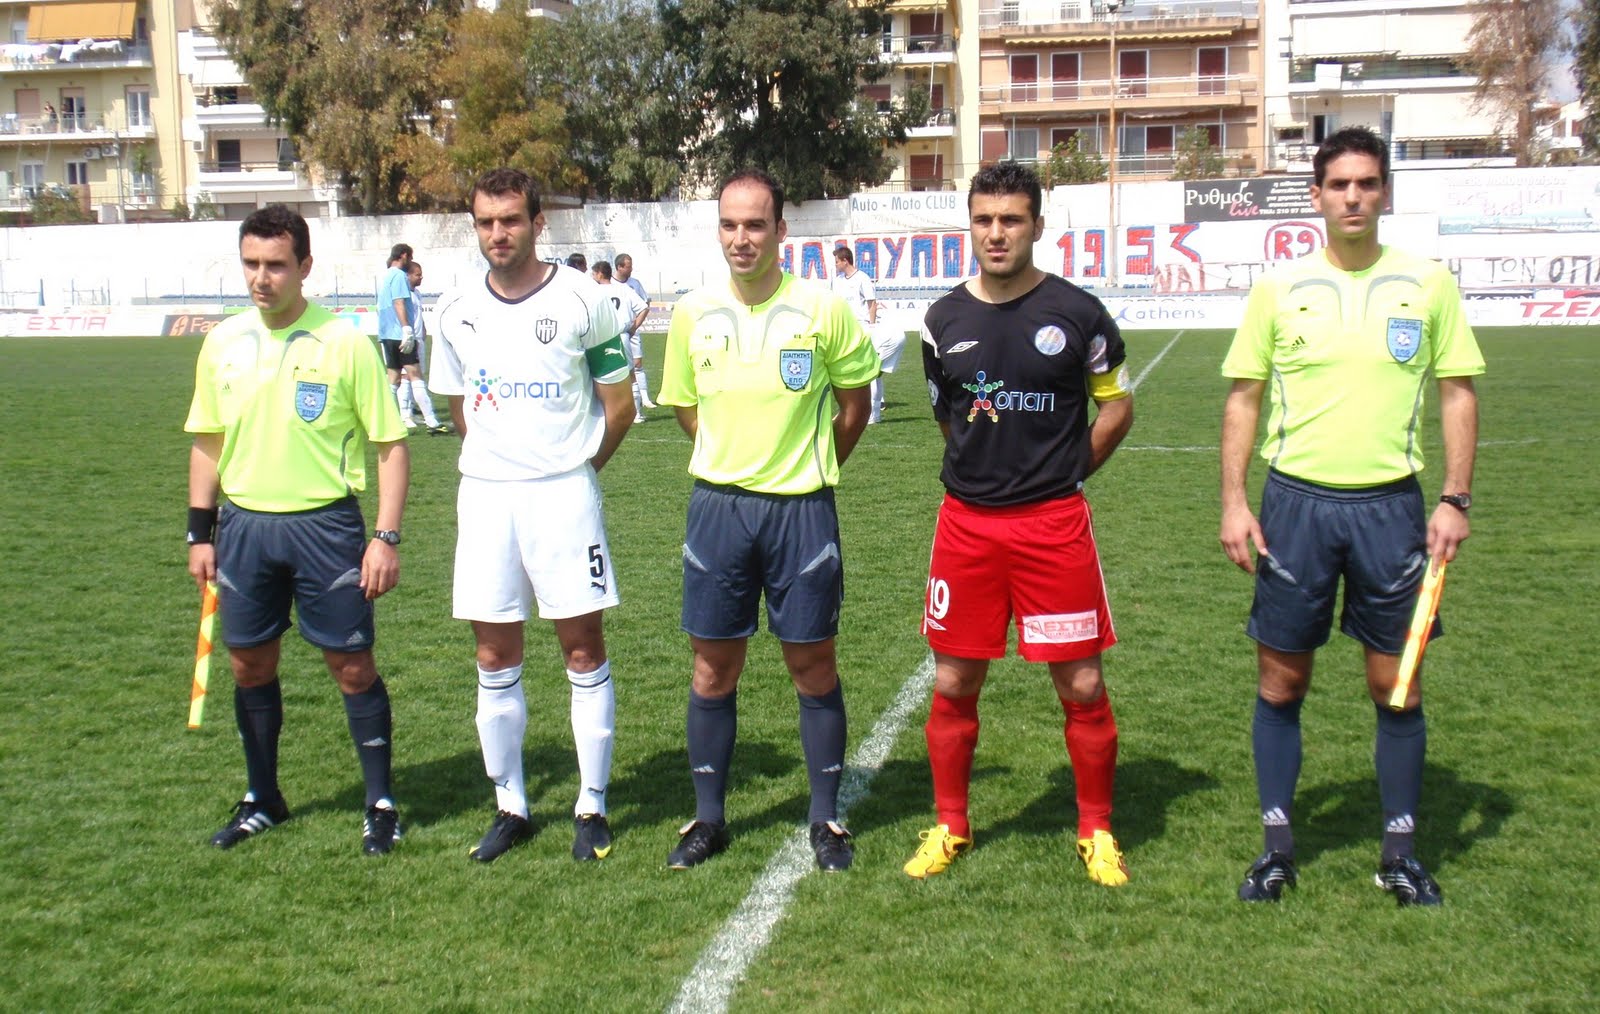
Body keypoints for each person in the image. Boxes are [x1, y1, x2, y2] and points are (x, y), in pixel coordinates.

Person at [1219, 126, 1484, 907]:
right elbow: (1244, 398)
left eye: (1367, 183)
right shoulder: (1280, 288)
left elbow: (1458, 391)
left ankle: (1399, 855)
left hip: (1391, 509)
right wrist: (1234, 501)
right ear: (1317, 196)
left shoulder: (1427, 284)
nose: (1354, 197)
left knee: (1396, 686)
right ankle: (1276, 850)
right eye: (1340, 185)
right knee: (1281, 681)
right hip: (1294, 505)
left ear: (1384, 193)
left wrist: (1455, 497)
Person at [904, 161, 1135, 886]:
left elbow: (1117, 407)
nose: (996, 233)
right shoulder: (941, 321)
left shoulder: (1079, 314)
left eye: (1011, 219)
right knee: (953, 678)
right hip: (967, 527)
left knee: (1083, 684)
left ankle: (1096, 829)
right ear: (969, 226)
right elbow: (950, 419)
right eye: (984, 220)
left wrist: (1066, 473)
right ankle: (951, 823)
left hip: (1053, 527)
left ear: (1037, 224)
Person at [657, 168, 880, 872]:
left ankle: (825, 819)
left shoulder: (823, 310)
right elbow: (686, 407)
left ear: (781, 230)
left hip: (801, 511)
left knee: (812, 663)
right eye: (729, 224)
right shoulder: (692, 313)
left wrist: (806, 463)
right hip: (718, 510)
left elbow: (855, 405)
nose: (741, 238)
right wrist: (734, 458)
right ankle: (708, 818)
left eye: (755, 224)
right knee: (711, 667)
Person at [184, 204, 411, 856]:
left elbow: (390, 446)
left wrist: (385, 538)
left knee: (351, 665)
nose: (262, 278)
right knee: (248, 662)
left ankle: (380, 802)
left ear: (305, 266)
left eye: (276, 265)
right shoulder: (223, 342)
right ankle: (263, 797)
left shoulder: (343, 342)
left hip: (325, 527)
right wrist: (199, 533)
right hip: (244, 528)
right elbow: (207, 440)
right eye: (251, 264)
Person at [431, 168, 635, 864]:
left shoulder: (586, 300)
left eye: (511, 219)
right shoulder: (453, 309)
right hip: (487, 497)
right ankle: (510, 805)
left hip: (562, 495)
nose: (498, 233)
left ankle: (592, 804)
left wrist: (575, 472)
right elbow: (459, 410)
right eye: (486, 222)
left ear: (537, 223)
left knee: (582, 648)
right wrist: (505, 463)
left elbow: (619, 407)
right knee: (494, 654)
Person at [831, 246, 897, 424]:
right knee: (852, 368)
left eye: (837, 261)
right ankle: (856, 406)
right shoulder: (837, 281)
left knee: (868, 368)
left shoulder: (862, 278)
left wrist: (872, 327)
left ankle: (872, 410)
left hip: (862, 328)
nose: (835, 265)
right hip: (844, 329)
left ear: (845, 261)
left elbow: (871, 303)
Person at [591, 260, 651, 422]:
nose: (592, 277)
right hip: (622, 335)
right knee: (630, 375)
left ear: (600, 274)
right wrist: (633, 328)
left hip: (601, 338)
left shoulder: (593, 291)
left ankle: (603, 413)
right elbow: (644, 307)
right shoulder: (623, 289)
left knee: (599, 376)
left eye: (594, 273)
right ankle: (637, 414)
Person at [397, 259, 449, 433]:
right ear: (408, 276)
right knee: (408, 376)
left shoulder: (417, 293)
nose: (421, 277)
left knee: (416, 376)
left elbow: (418, 315)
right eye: (417, 275)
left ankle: (411, 411)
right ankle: (406, 415)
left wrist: (423, 328)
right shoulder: (404, 295)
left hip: (419, 339)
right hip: (409, 340)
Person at [376, 243, 419, 426]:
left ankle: (385, 417)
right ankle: (432, 421)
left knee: (393, 378)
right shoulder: (400, 275)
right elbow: (398, 302)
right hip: (398, 333)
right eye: (410, 257)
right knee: (415, 374)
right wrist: (406, 328)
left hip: (386, 333)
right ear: (403, 255)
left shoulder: (385, 276)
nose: (411, 261)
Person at [613, 253, 657, 415]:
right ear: (619, 267)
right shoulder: (610, 284)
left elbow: (645, 303)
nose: (631, 269)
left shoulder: (634, 284)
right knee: (619, 367)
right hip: (616, 331)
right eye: (628, 266)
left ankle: (645, 398)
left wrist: (636, 324)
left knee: (638, 364)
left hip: (633, 330)